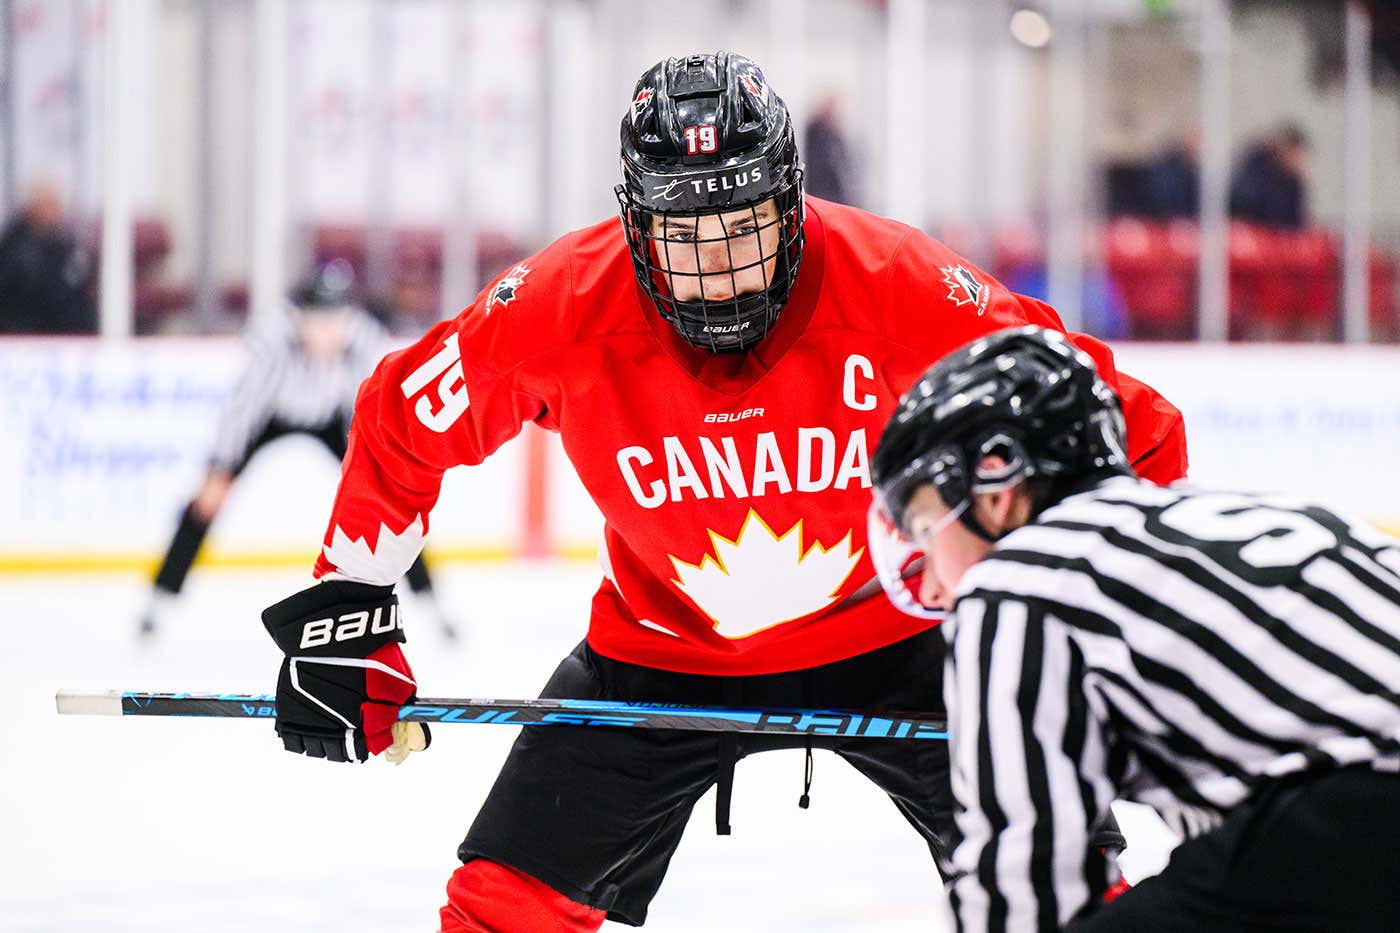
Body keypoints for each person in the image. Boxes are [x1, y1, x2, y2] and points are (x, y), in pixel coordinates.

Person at [257, 52, 1188, 929]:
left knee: (1064, 888)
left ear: (791, 202)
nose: (718, 268)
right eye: (683, 233)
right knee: (498, 906)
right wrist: (349, 608)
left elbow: (1127, 424)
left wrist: (1101, 619)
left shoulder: (901, 287)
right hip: (659, 653)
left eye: (744, 227)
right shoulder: (563, 303)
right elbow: (403, 415)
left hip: (908, 638)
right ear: (636, 224)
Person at [869, 325, 1400, 932]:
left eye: (926, 530)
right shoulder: (1243, 517)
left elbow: (1024, 890)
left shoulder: (1024, 579)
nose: (931, 589)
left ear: (995, 490)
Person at [139, 259, 458, 640]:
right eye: (317, 320)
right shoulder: (272, 341)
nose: (326, 331)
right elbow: (243, 408)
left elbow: (366, 406)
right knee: (207, 501)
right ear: (299, 317)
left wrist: (382, 468)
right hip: (270, 417)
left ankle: (432, 603)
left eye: (334, 320)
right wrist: (220, 467)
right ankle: (159, 599)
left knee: (389, 503)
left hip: (331, 418)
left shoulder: (362, 339)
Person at [0, 181, 96, 334]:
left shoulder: (65, 247)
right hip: (23, 335)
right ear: (32, 207)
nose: (55, 212)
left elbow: (75, 297)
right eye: (48, 205)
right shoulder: (13, 248)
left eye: (56, 205)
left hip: (64, 334)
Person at [1229, 124, 1310, 230]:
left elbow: (1295, 222)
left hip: (1276, 233)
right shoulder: (1257, 167)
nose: (1296, 159)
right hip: (1250, 229)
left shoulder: (1294, 182)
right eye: (1293, 153)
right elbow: (1246, 204)